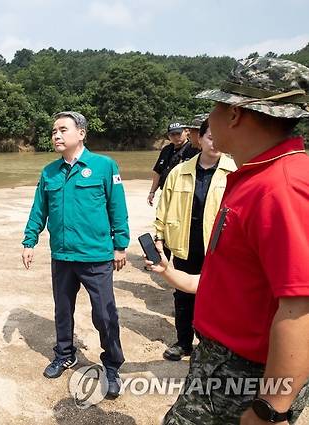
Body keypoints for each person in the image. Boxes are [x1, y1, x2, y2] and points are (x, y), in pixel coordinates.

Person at [146, 57, 309, 424]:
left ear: (235, 114)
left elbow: (300, 307)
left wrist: (270, 410)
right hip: (223, 362)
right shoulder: (256, 177)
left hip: (246, 371)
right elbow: (246, 279)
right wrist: (181, 278)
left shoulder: (282, 188)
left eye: (216, 105)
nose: (210, 117)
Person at [21, 111, 129, 398]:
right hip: (63, 256)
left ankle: (112, 366)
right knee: (62, 309)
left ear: (81, 133)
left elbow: (117, 208)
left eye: (63, 129)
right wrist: (29, 240)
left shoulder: (104, 166)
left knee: (105, 314)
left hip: (96, 255)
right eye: (54, 130)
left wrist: (121, 245)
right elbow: (39, 210)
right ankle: (65, 353)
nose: (56, 135)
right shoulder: (49, 173)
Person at [154, 119, 236, 362]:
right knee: (183, 296)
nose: (216, 142)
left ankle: (209, 342)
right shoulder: (179, 172)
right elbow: (163, 208)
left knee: (215, 297)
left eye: (221, 136)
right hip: (185, 245)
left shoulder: (235, 172)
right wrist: (159, 237)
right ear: (199, 139)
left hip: (219, 248)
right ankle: (183, 342)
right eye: (211, 136)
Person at [147, 123, 200, 207]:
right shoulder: (166, 150)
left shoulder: (193, 149)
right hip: (165, 192)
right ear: (168, 136)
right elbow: (158, 172)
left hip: (183, 194)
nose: (176, 137)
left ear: (186, 132)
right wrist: (152, 192)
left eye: (178, 134)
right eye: (172, 134)